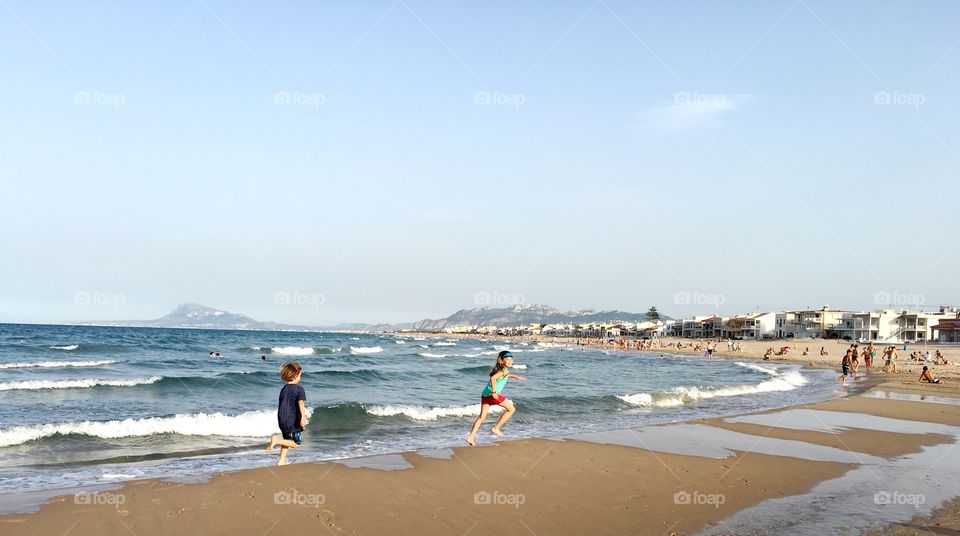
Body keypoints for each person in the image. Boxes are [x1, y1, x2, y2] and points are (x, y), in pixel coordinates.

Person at [466, 351, 527, 446]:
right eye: (507, 359)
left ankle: (471, 437)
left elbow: (504, 375)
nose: (510, 361)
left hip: (485, 395)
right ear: (502, 361)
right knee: (511, 409)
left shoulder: (501, 370)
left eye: (511, 359)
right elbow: (493, 378)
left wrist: (515, 376)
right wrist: (494, 392)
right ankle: (496, 428)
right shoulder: (503, 371)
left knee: (482, 417)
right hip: (493, 395)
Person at [266, 362, 307, 466]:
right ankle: (276, 440)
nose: (300, 378)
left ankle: (281, 461)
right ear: (295, 375)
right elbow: (301, 403)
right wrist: (303, 417)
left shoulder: (283, 389)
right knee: (295, 444)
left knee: (287, 440)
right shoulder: (299, 389)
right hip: (293, 421)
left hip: (282, 419)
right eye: (300, 375)